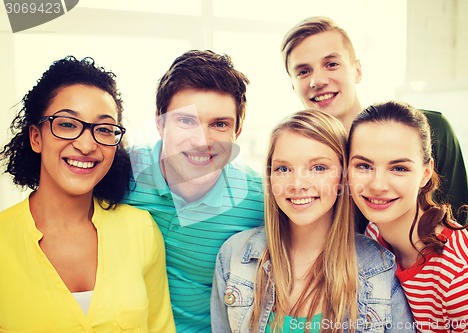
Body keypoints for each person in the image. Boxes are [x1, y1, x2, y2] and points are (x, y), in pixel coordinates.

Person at [0, 56, 175, 332]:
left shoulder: (141, 229)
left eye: (104, 129)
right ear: (36, 137)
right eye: (68, 124)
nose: (86, 144)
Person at [211, 109, 415, 333]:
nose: (297, 184)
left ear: (343, 176)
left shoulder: (379, 268)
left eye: (318, 168)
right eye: (283, 168)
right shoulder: (235, 256)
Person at [280, 16, 468, 241]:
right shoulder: (302, 163)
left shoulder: (433, 130)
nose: (317, 80)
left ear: (357, 70)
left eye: (332, 64)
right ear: (292, 84)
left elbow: (465, 234)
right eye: (303, 71)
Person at [124, 50, 264, 332]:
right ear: (160, 123)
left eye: (220, 124)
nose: (202, 141)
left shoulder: (260, 200)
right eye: (186, 120)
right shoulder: (118, 174)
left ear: (236, 132)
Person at [347, 100, 468, 332]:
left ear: (425, 174)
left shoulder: (464, 278)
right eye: (364, 166)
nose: (377, 185)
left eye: (399, 168)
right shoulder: (373, 233)